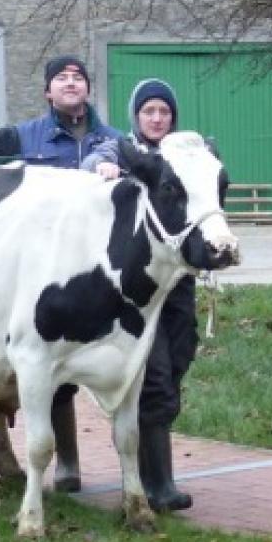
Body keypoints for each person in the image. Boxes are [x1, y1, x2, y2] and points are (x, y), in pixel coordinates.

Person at [0, 54, 122, 493]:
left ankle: (126, 462)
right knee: (52, 368)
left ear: (88, 89)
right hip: (40, 268)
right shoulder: (27, 136)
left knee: (95, 363)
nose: (71, 83)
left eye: (78, 77)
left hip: (96, 268)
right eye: (62, 78)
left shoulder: (110, 141)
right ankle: (67, 462)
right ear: (47, 92)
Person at [83, 78, 200, 512]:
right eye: (149, 111)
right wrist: (103, 168)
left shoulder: (185, 153)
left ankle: (153, 469)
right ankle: (159, 485)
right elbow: (97, 158)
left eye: (164, 112)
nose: (157, 119)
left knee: (178, 361)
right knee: (154, 375)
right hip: (136, 289)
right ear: (136, 116)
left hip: (179, 282)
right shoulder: (122, 149)